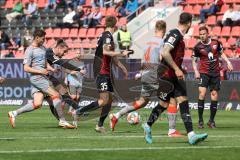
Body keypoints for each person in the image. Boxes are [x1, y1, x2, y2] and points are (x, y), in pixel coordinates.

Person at [142, 12, 208, 145]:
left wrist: (179, 68)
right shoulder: (175, 34)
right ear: (189, 23)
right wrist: (176, 68)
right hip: (168, 76)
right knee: (172, 103)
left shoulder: (177, 36)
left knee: (171, 103)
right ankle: (190, 135)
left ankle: (190, 135)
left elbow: (166, 55)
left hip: (170, 75)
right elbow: (164, 52)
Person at [110, 20, 183, 137]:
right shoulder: (162, 42)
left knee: (142, 102)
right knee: (170, 99)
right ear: (164, 30)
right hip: (154, 74)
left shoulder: (147, 42)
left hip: (145, 74)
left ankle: (117, 115)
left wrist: (141, 73)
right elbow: (162, 57)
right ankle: (171, 130)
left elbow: (144, 60)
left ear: (155, 29)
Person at [73, 16, 131, 133]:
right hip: (101, 71)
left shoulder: (104, 36)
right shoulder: (107, 36)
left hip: (106, 72)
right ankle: (79, 111)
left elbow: (108, 55)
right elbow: (105, 51)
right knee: (104, 100)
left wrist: (122, 67)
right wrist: (122, 53)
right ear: (115, 25)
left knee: (110, 101)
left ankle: (99, 125)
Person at [8, 30, 75, 129]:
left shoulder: (43, 48)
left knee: (38, 103)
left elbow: (45, 64)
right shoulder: (30, 50)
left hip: (43, 77)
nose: (44, 41)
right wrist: (41, 72)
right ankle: (63, 121)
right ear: (37, 38)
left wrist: (51, 69)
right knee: (56, 95)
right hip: (37, 78)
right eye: (43, 39)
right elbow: (26, 68)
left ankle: (13, 113)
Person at [192, 26, 233, 129]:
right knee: (202, 93)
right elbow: (194, 60)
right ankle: (200, 120)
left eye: (203, 34)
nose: (202, 36)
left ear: (207, 34)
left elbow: (221, 53)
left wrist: (228, 62)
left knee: (214, 95)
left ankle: (211, 121)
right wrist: (196, 71)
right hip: (203, 73)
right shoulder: (197, 47)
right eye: (200, 34)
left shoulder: (216, 43)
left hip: (215, 73)